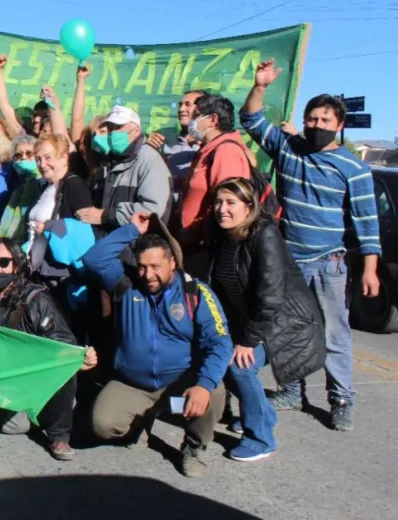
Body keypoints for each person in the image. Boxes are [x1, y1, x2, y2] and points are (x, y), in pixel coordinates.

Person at [241, 60, 381, 431]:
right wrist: (260, 85)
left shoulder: (354, 168)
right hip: (288, 262)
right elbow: (251, 119)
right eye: (312, 118)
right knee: (288, 330)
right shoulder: (288, 148)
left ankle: (341, 399)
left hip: (328, 264)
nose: (317, 125)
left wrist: (370, 270)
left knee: (334, 335)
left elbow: (367, 224)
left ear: (339, 125)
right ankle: (291, 390)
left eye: (325, 120)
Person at [83, 213, 233, 478]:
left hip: (177, 387)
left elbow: (221, 342)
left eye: (156, 266)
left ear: (172, 263)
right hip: (133, 384)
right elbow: (94, 258)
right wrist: (132, 229)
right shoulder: (126, 283)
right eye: (142, 266)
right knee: (102, 423)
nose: (148, 275)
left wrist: (204, 385)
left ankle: (194, 447)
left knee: (214, 394)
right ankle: (141, 422)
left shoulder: (195, 293)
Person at [0, 238, 97, 461]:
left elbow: (63, 343)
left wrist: (83, 358)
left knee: (64, 364)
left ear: (17, 265)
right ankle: (29, 416)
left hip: (34, 377)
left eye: (4, 262)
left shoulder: (37, 299)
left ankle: (59, 434)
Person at [209, 178, 326, 461]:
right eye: (218, 202)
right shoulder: (224, 236)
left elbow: (271, 296)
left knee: (240, 367)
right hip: (252, 320)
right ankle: (263, 414)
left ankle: (261, 439)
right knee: (222, 358)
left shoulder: (265, 235)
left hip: (285, 323)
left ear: (249, 207)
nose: (222, 209)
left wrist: (247, 341)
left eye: (231, 203)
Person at [175, 95, 252, 277]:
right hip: (194, 247)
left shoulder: (226, 151)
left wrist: (198, 233)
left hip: (207, 251)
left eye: (196, 116)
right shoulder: (208, 150)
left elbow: (228, 202)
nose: (191, 121)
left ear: (212, 120)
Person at [77, 106, 172, 232]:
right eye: (110, 128)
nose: (113, 132)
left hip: (134, 241)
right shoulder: (108, 161)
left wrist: (106, 216)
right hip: (110, 239)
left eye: (118, 127)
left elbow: (153, 211)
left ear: (136, 131)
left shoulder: (149, 160)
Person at [0, 54, 69, 138]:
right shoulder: (26, 136)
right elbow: (3, 105)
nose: (36, 120)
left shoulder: (61, 142)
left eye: (42, 117)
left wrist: (51, 98)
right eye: (35, 115)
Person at [147, 90, 206, 182]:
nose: (181, 109)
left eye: (188, 104)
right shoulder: (163, 137)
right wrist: (148, 145)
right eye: (180, 105)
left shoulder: (210, 142)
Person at [0, 133, 42, 243]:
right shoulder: (19, 185)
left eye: (29, 153)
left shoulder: (43, 182)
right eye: (18, 155)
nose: (24, 157)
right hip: (10, 242)